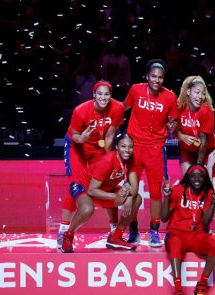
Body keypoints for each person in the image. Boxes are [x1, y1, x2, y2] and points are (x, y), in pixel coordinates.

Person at [57, 81, 124, 248]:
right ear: (94, 95)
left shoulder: (117, 108)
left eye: (107, 94)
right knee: (77, 186)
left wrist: (110, 161)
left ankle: (114, 231)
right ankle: (64, 230)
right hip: (77, 146)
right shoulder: (80, 111)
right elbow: (76, 137)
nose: (103, 97)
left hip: (98, 147)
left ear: (111, 95)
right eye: (100, 94)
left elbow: (109, 136)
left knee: (106, 184)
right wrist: (83, 138)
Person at [123, 58, 178, 247]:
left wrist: (173, 126)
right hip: (135, 147)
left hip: (156, 149)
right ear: (147, 76)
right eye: (153, 76)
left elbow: (174, 123)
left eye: (160, 77)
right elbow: (122, 108)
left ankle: (154, 231)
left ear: (164, 79)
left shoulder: (170, 97)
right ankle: (133, 228)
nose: (156, 80)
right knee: (131, 190)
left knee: (156, 192)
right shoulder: (136, 90)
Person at [61, 134, 142, 253]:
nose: (127, 150)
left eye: (130, 147)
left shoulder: (131, 159)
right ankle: (68, 236)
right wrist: (116, 196)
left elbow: (134, 186)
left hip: (105, 189)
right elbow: (92, 191)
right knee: (88, 209)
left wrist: (129, 198)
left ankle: (116, 237)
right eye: (123, 146)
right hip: (83, 187)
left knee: (137, 199)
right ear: (117, 147)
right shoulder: (107, 161)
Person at [161, 164, 215, 295]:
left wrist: (213, 201)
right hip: (177, 234)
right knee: (175, 242)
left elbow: (206, 222)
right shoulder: (177, 190)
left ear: (205, 178)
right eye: (193, 176)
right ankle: (178, 288)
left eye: (200, 176)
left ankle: (202, 284)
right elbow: (164, 218)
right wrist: (166, 198)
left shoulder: (208, 193)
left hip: (197, 235)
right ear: (188, 178)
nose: (197, 179)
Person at [174, 75, 215, 175]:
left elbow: (204, 142)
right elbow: (174, 129)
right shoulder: (179, 108)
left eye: (203, 94)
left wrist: (198, 167)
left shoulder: (206, 111)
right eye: (197, 92)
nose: (200, 97)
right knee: (187, 182)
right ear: (188, 92)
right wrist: (181, 136)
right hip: (187, 151)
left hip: (207, 150)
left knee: (204, 181)